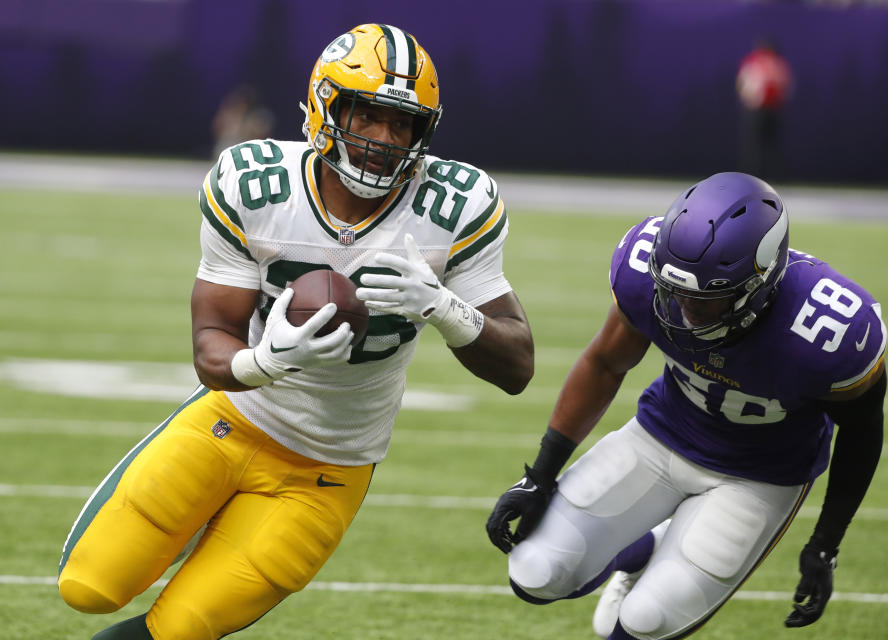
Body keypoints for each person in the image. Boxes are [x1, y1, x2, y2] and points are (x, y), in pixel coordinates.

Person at [58, 23, 533, 640]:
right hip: (232, 420)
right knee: (88, 585)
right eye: (367, 114)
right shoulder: (257, 183)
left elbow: (518, 365)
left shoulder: (455, 205)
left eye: (403, 123)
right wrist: (267, 358)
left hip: (331, 465)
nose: (385, 139)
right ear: (325, 105)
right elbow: (211, 343)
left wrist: (445, 307)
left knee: (179, 629)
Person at [486, 172, 884, 639]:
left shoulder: (828, 330)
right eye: (676, 291)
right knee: (534, 572)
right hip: (661, 435)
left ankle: (655, 555)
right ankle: (642, 549)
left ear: (761, 283)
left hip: (759, 476)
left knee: (646, 620)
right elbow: (605, 362)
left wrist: (825, 543)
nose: (685, 308)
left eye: (707, 298)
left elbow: (862, 431)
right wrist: (540, 475)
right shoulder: (646, 274)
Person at [736, 41, 793, 181]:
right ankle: (752, 176)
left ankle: (772, 177)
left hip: (771, 109)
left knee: (770, 145)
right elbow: (743, 82)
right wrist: (749, 99)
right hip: (757, 109)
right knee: (754, 145)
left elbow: (785, 84)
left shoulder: (776, 64)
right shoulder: (754, 63)